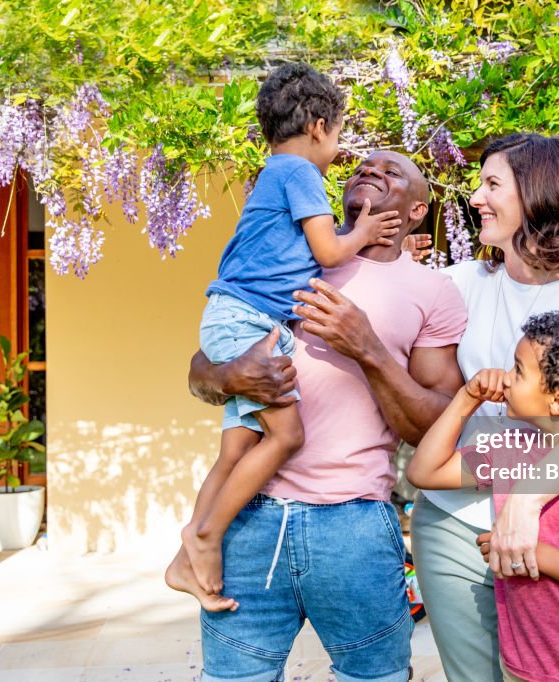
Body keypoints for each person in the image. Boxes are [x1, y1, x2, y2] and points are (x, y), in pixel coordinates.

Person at [184, 150, 468, 682]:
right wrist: (228, 376)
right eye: (362, 168)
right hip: (251, 518)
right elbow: (201, 370)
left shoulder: (434, 291)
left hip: (354, 525)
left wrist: (369, 349)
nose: (370, 171)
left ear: (416, 212)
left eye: (392, 172)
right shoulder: (292, 255)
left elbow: (433, 425)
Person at [409, 133, 559, 681]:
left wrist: (525, 502)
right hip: (454, 522)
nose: (474, 197)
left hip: (556, 528)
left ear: (536, 199)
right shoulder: (458, 282)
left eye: (492, 184)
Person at [164, 63, 401, 601]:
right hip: (247, 321)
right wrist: (363, 231)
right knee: (288, 436)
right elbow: (329, 253)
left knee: (236, 450)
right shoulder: (300, 174)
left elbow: (308, 255)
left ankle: (185, 562)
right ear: (318, 126)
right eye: (339, 134)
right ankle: (203, 535)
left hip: (235, 318)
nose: (340, 149)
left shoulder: (275, 173)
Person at [406, 310, 559, 682]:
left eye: (519, 371)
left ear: (556, 402)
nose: (506, 378)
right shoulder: (510, 451)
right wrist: (465, 398)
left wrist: (538, 557)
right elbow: (423, 473)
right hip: (523, 668)